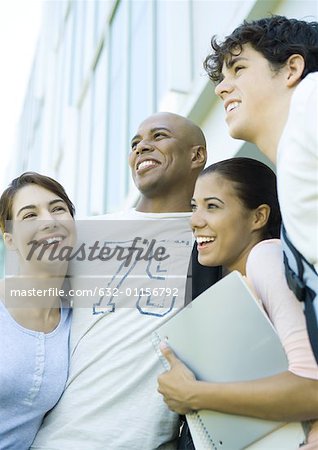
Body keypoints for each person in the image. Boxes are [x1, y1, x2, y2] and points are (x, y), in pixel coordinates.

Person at [31, 112, 221, 449]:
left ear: (197, 155)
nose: (142, 146)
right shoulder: (85, 235)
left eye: (159, 136)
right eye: (135, 143)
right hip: (57, 440)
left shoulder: (211, 244)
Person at [158, 157, 318, 449]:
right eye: (194, 206)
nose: (195, 220)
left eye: (213, 206)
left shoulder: (265, 257)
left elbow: (312, 390)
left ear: (258, 217)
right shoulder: (239, 284)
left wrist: (192, 394)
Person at [203, 15, 318, 361]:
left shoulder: (311, 101)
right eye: (221, 78)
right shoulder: (294, 166)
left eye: (238, 69)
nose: (222, 88)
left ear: (291, 69)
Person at [0, 172, 75, 450]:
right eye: (29, 215)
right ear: (10, 240)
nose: (49, 221)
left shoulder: (76, 320)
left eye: (58, 209)